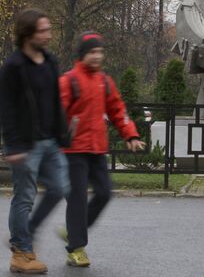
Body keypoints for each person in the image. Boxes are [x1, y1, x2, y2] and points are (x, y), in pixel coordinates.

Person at [58, 32, 145, 267]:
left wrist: (131, 134)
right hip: (72, 151)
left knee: (105, 193)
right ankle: (76, 248)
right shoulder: (69, 81)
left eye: (100, 52)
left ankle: (75, 231)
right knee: (76, 199)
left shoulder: (104, 81)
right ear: (82, 55)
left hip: (96, 148)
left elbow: (118, 110)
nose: (97, 56)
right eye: (92, 52)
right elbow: (55, 114)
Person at [0, 8, 70, 274]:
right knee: (25, 197)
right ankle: (21, 253)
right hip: (25, 145)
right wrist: (14, 145)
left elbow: (54, 100)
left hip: (50, 141)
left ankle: (23, 236)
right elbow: (7, 109)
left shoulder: (50, 61)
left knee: (59, 188)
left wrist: (62, 133)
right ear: (28, 34)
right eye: (43, 30)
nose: (49, 35)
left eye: (49, 29)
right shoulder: (12, 68)